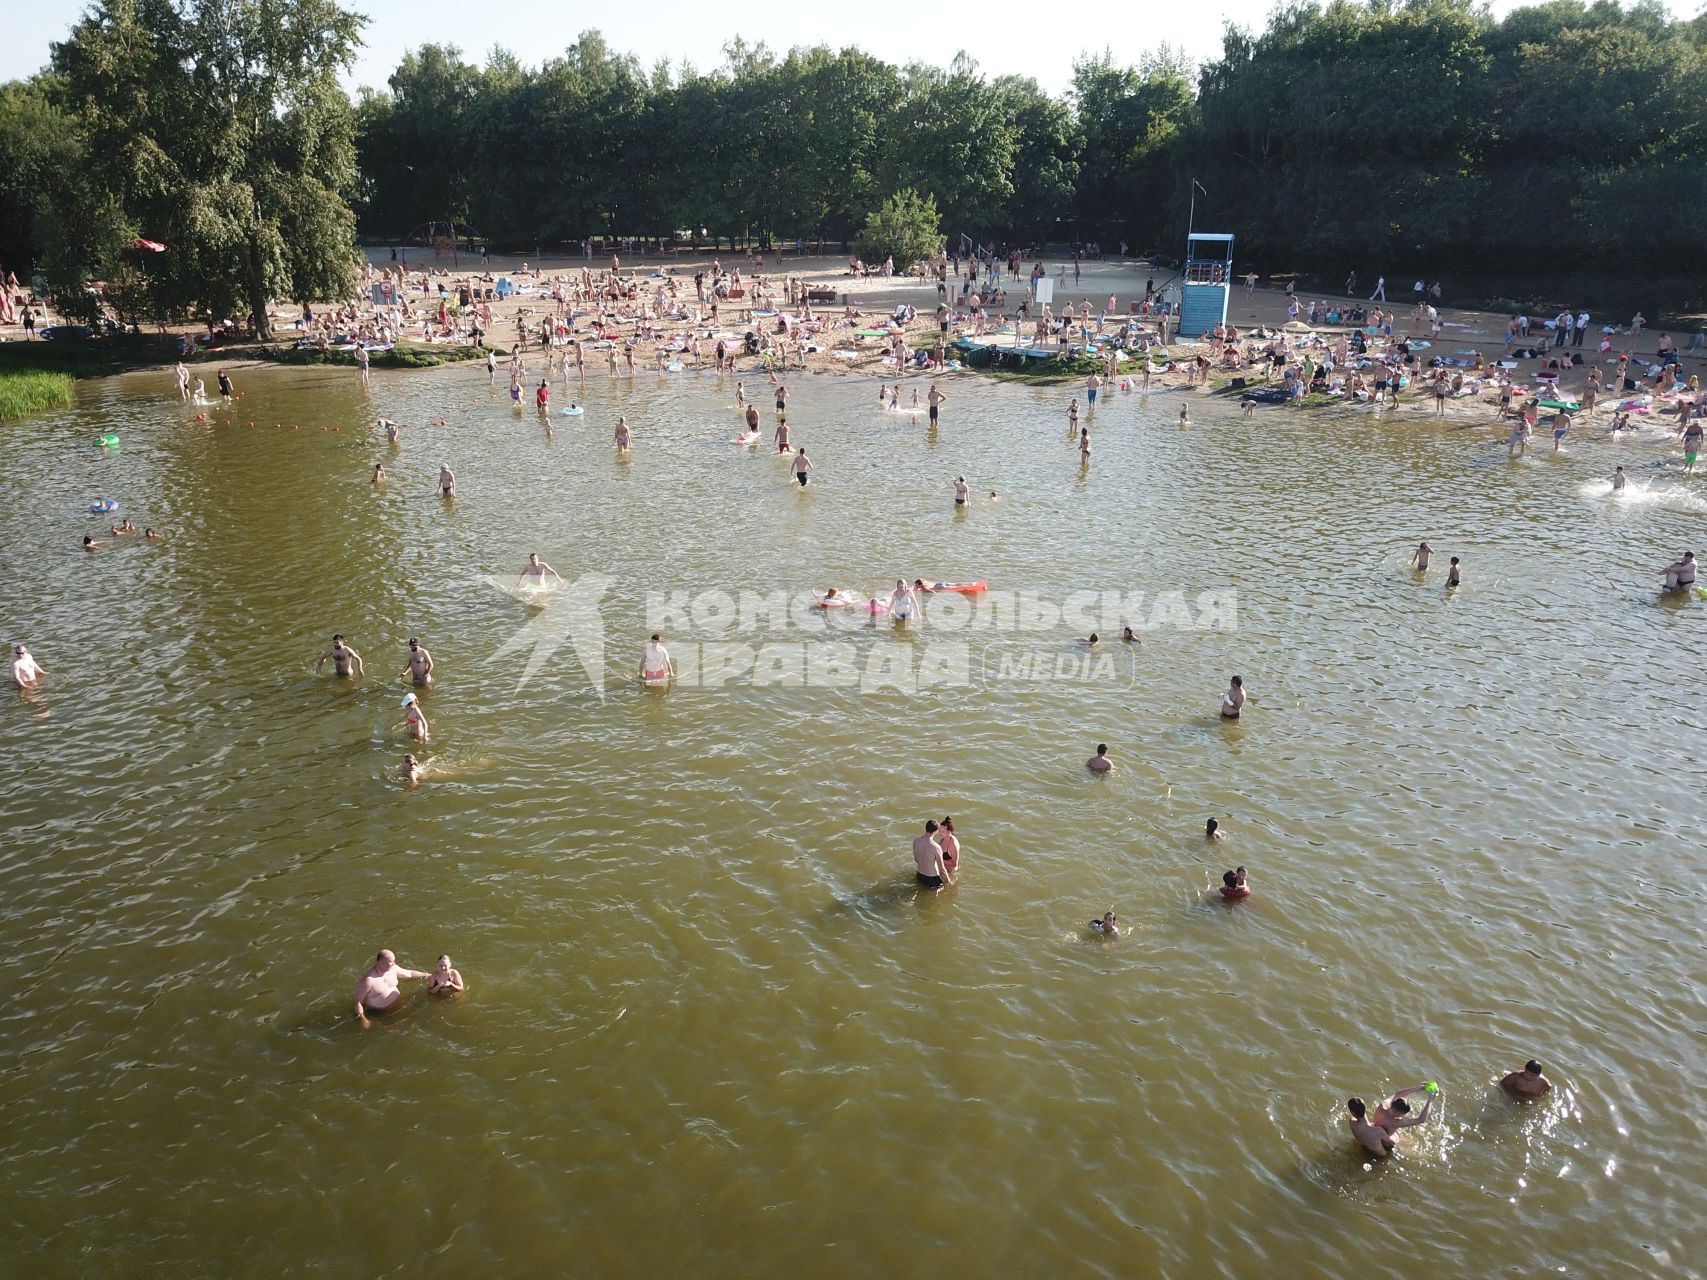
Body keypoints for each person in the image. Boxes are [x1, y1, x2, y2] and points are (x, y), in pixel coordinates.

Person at [353, 949, 431, 1027]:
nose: (393, 963)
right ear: (381, 962)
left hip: (400, 1004)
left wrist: (428, 975)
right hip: (381, 1013)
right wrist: (363, 1018)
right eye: (390, 961)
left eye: (394, 961)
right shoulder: (369, 980)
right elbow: (357, 1002)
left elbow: (409, 973)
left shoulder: (393, 968)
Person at [1372, 1084, 1437, 1135]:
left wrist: (1417, 1088)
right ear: (1400, 1114)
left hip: (1375, 1128)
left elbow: (1397, 1094)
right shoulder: (1394, 1122)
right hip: (1384, 1141)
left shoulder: (1383, 1104)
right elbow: (1421, 1120)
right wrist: (1430, 1101)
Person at [913, 819, 953, 888]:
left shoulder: (916, 841)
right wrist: (949, 882)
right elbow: (942, 870)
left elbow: (916, 859)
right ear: (936, 831)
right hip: (933, 880)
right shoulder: (936, 847)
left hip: (919, 876)